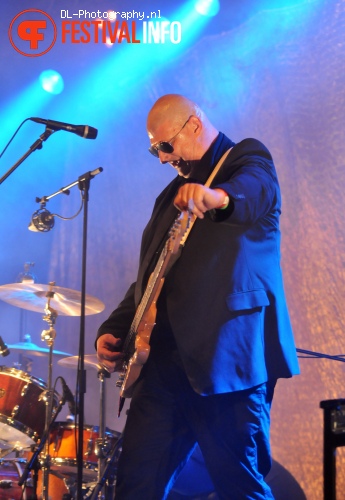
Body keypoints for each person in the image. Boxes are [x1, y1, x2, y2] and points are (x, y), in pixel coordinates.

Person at [95, 94, 300, 499]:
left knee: (240, 486)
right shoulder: (169, 197)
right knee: (134, 485)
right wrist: (115, 327)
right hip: (164, 371)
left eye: (166, 146)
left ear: (193, 125)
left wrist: (216, 198)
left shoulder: (245, 158)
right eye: (155, 150)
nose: (162, 158)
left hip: (226, 365)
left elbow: (250, 192)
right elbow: (149, 280)